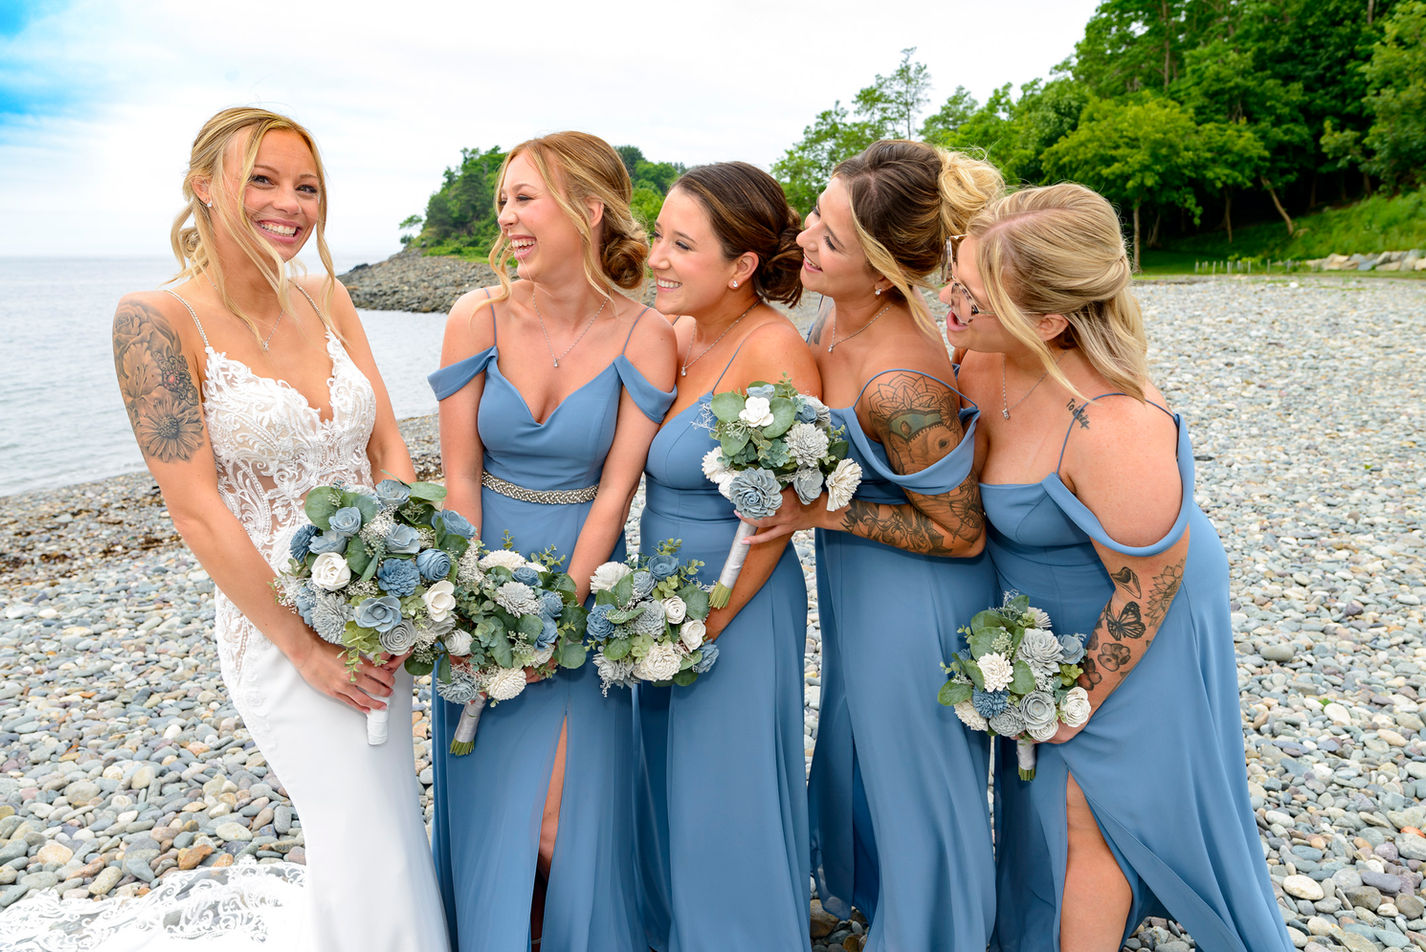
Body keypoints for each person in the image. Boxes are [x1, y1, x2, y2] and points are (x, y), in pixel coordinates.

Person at [109, 107, 447, 950]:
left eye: (307, 186)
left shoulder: (328, 295)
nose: (289, 203)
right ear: (203, 188)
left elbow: (388, 446)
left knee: (385, 827)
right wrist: (304, 646)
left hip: (378, 612)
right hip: (276, 628)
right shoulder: (154, 320)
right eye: (261, 178)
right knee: (359, 830)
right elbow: (194, 506)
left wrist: (397, 575)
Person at [945, 182, 1293, 952]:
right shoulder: (982, 359)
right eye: (954, 272)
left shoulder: (1113, 426)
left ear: (1047, 320)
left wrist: (1075, 698)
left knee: (1088, 804)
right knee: (1053, 800)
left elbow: (1153, 582)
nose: (949, 297)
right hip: (1054, 609)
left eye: (971, 291)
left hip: (1142, 614)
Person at [742, 140, 1002, 951]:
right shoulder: (828, 314)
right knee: (865, 756)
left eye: (831, 239)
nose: (807, 240)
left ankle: (938, 932)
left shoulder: (901, 380)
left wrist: (822, 517)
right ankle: (881, 911)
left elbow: (961, 533)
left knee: (916, 772)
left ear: (885, 270)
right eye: (817, 216)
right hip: (862, 584)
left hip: (917, 595)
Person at [427, 131, 677, 951]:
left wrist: (555, 616)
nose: (506, 216)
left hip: (581, 587)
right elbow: (459, 479)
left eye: (523, 196)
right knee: (497, 801)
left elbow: (617, 491)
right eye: (503, 199)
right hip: (479, 582)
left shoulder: (648, 334)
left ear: (590, 210)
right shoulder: (476, 317)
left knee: (559, 823)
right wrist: (469, 610)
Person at [634, 162, 819, 952]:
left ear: (742, 266)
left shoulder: (775, 350)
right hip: (656, 598)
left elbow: (781, 519)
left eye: (681, 244)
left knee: (724, 790)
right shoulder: (678, 334)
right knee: (667, 781)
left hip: (734, 603)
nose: (656, 258)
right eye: (656, 236)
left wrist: (705, 624)